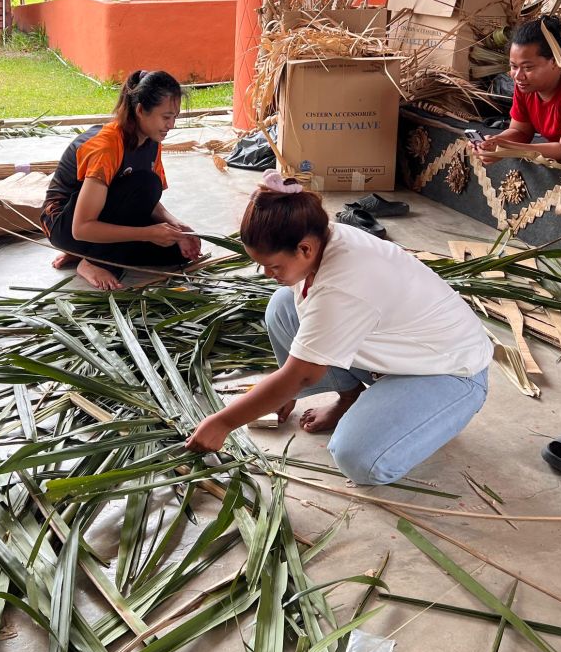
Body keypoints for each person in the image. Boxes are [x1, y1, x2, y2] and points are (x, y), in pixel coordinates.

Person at [185, 173, 493, 487]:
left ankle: (438, 414)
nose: (267, 274)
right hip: (397, 352)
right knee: (283, 307)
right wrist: (282, 396)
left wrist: (223, 422)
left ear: (304, 249)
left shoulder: (344, 283)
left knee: (358, 458)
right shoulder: (320, 237)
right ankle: (350, 398)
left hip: (449, 370)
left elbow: (301, 374)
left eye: (274, 266)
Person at [43, 70, 202, 290]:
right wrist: (147, 233)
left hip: (101, 217)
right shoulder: (107, 146)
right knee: (148, 184)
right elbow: (81, 228)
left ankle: (84, 254)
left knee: (176, 251)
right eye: (166, 117)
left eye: (174, 117)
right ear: (140, 110)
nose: (171, 125)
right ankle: (90, 262)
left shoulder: (151, 141)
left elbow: (142, 202)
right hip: (66, 226)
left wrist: (177, 226)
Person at [475, 16, 561, 165]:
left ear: (555, 61)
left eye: (528, 67)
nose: (518, 76)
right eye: (514, 66)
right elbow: (521, 132)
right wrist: (494, 142)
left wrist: (506, 148)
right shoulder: (525, 84)